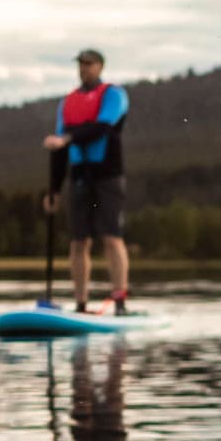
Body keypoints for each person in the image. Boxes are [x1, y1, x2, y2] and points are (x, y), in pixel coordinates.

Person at [43, 48, 132, 313]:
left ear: (100, 67)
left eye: (89, 64)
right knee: (78, 241)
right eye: (81, 64)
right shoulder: (67, 102)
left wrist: (68, 138)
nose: (84, 68)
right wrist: (54, 190)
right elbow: (59, 149)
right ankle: (81, 304)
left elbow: (102, 128)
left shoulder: (114, 95)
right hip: (79, 176)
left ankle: (120, 300)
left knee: (111, 236)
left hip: (108, 174)